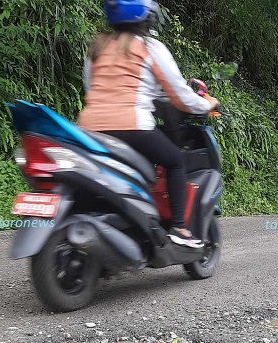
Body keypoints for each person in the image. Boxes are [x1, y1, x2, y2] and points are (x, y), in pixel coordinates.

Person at [77, 0, 220, 249]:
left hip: (89, 129)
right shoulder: (150, 47)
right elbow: (180, 96)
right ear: (146, 17)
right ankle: (179, 227)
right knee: (175, 160)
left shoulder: (97, 47)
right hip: (132, 125)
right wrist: (207, 105)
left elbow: (91, 89)